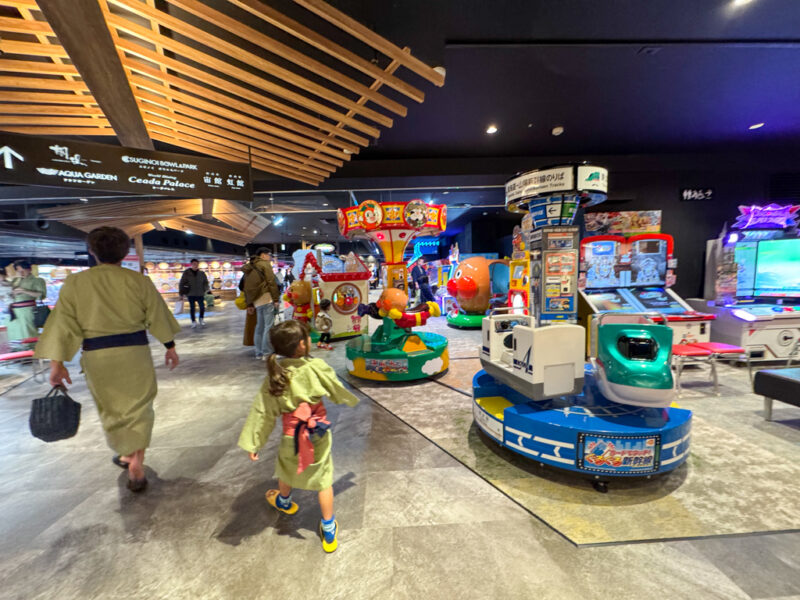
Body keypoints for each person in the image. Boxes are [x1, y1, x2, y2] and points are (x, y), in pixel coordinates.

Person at [34, 227, 181, 493]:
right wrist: (169, 346)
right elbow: (158, 316)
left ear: (92, 251)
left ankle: (125, 452)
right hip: (134, 353)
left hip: (98, 356)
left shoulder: (76, 283)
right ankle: (136, 460)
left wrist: (57, 364)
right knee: (140, 407)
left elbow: (63, 325)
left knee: (111, 409)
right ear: (125, 253)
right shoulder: (138, 281)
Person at [238, 320, 359, 553]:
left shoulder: (276, 374)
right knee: (323, 478)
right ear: (302, 345)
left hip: (291, 435)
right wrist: (343, 397)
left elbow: (263, 411)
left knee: (286, 468)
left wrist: (254, 443)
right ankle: (328, 527)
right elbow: (335, 388)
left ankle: (284, 501)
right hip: (318, 432)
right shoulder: (316, 367)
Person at [242, 248, 280, 360]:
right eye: (269, 255)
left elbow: (245, 287)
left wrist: (249, 304)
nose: (270, 257)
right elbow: (271, 282)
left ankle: (259, 352)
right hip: (266, 297)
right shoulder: (264, 264)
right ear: (263, 255)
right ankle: (267, 353)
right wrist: (276, 299)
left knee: (260, 326)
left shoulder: (250, 266)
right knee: (268, 326)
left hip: (256, 300)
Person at [4, 259, 47, 342]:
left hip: (28, 310)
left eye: (23, 270)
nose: (21, 273)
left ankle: (32, 347)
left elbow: (41, 295)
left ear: (30, 269)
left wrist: (24, 291)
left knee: (29, 333)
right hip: (14, 311)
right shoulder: (15, 281)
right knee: (15, 335)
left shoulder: (37, 280)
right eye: (19, 271)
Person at [178, 258, 210, 329]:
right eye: (194, 264)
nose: (195, 265)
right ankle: (193, 321)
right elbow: (181, 283)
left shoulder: (202, 273)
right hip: (190, 293)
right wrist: (181, 294)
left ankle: (201, 319)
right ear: (191, 264)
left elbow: (205, 282)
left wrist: (206, 289)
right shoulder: (186, 273)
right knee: (192, 308)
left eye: (196, 264)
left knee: (202, 307)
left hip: (200, 293)